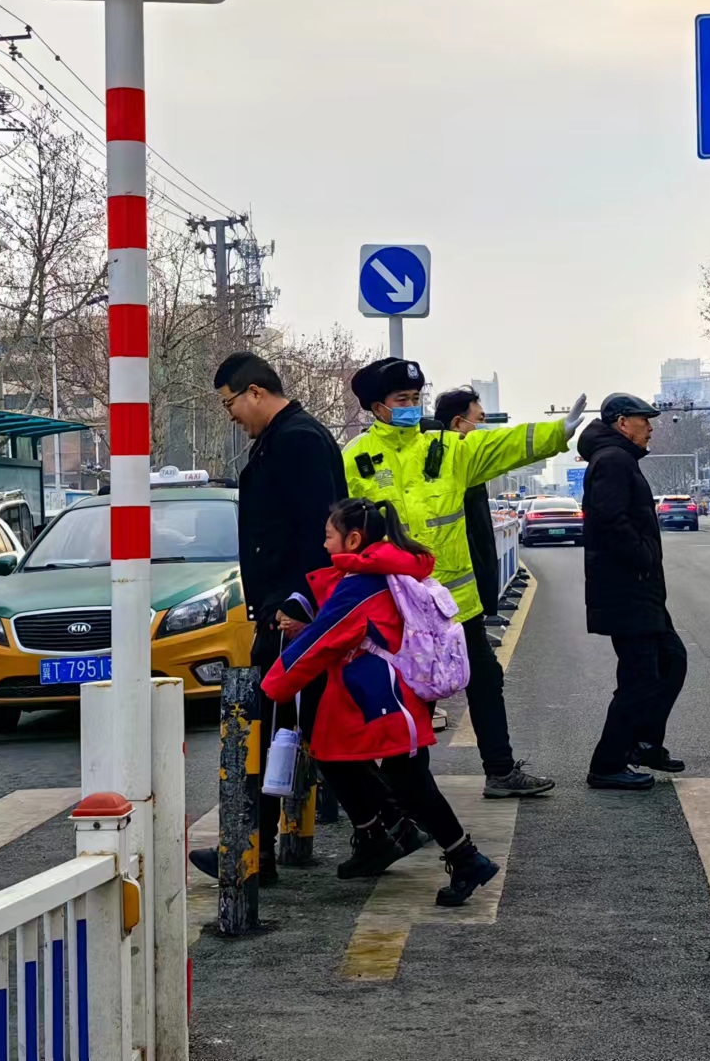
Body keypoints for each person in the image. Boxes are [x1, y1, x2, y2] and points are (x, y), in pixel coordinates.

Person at [343, 357, 585, 798]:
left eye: (416, 398)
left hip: (455, 605)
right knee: (412, 696)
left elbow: (501, 445)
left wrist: (557, 433)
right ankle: (403, 788)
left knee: (485, 680)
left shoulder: (447, 448)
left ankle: (500, 770)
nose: (412, 407)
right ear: (377, 408)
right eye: (402, 400)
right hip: (397, 608)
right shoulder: (353, 460)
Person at [261, 498, 501, 906]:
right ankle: (378, 835)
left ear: (353, 539)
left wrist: (271, 686)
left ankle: (465, 858)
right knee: (335, 753)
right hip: (381, 693)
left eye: (329, 536)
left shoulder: (360, 584)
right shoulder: (385, 571)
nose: (324, 544)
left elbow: (321, 640)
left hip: (383, 699)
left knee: (412, 784)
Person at [199, 350, 348, 884]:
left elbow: (318, 531)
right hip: (283, 609)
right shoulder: (283, 438)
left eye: (230, 404)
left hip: (292, 614)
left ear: (256, 392)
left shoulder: (298, 440)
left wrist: (299, 604)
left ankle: (253, 853)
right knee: (299, 729)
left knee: (269, 729)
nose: (231, 416)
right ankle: (380, 825)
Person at [577, 394, 688, 791]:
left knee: (671, 660)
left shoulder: (619, 458)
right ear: (623, 423)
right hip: (626, 587)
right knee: (639, 677)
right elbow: (609, 520)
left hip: (639, 588)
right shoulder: (613, 460)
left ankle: (643, 743)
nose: (651, 428)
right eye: (645, 420)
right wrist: (643, 556)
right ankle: (607, 764)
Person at [434, 387, 504, 648]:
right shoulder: (446, 468)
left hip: (465, 596)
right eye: (480, 420)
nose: (484, 427)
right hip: (456, 598)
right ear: (457, 423)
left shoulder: (467, 465)